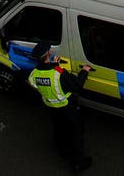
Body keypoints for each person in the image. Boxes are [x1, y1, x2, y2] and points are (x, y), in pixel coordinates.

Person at [28, 40, 93, 173]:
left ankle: (62, 151)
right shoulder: (58, 72)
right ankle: (78, 163)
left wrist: (55, 65)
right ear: (48, 53)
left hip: (51, 108)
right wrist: (84, 71)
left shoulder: (34, 74)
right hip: (67, 108)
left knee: (59, 130)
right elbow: (77, 85)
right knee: (76, 133)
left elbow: (36, 85)